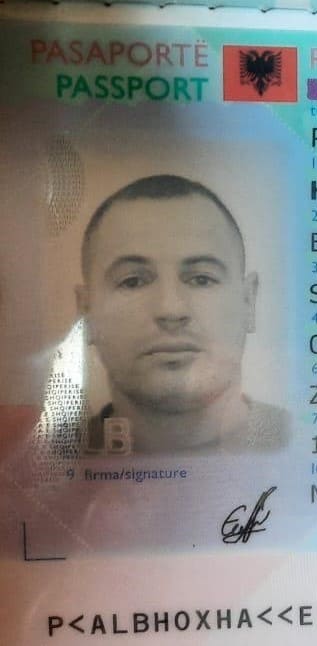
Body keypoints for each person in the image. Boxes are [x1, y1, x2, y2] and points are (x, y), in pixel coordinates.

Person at [76, 174, 289, 454]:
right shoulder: (43, 459)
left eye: (202, 279)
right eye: (133, 281)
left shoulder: (316, 442)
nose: (171, 310)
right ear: (87, 313)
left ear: (248, 302)